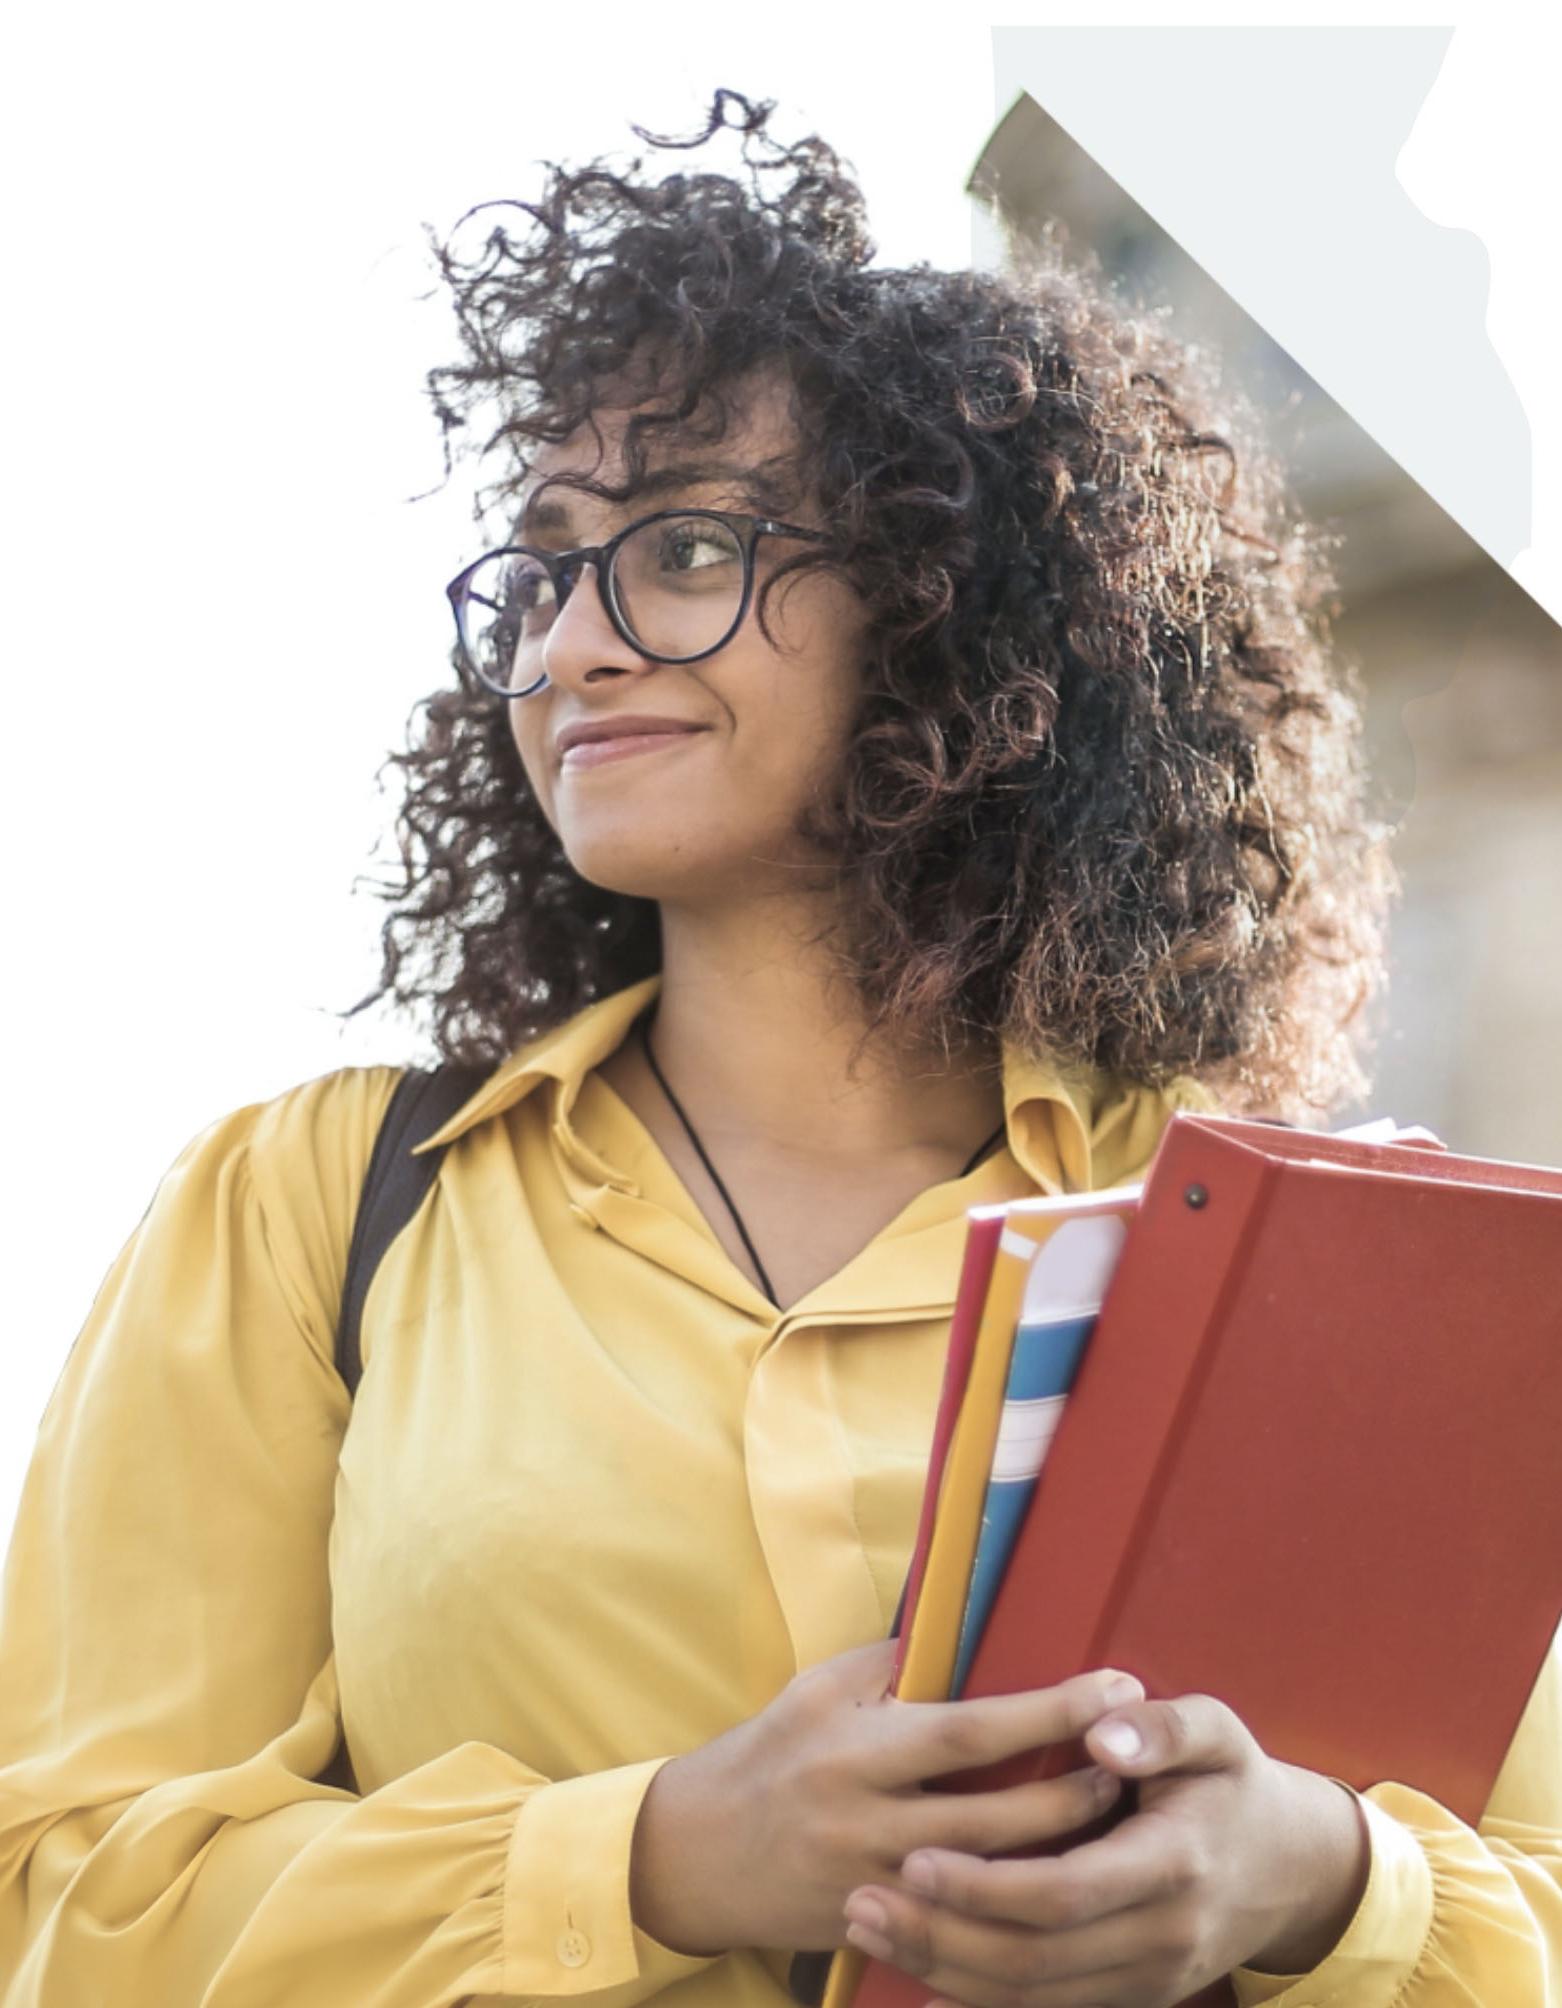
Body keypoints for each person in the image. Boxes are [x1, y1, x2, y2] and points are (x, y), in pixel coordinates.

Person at [1, 86, 1557, 2008]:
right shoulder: (310, 1212)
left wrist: (1323, 1885)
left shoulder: (1274, 1249)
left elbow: (1532, 1889)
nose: (570, 641)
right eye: (546, 562)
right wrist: (659, 1856)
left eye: (680, 551)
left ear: (938, 607)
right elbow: (72, 1903)